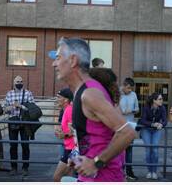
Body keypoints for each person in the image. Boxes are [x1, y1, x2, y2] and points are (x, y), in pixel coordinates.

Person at [49, 37, 136, 182]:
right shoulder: (80, 91)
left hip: (104, 179)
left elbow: (127, 133)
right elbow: (94, 136)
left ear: (73, 60)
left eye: (58, 58)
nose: (54, 64)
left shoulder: (90, 93)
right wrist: (78, 157)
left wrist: (96, 163)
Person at [4, 75, 35, 176]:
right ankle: (13, 167)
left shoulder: (28, 93)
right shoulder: (9, 94)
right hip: (13, 121)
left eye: (21, 81)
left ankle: (25, 168)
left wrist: (20, 106)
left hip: (25, 122)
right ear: (14, 83)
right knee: (13, 145)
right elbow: (5, 108)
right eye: (17, 81)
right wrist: (8, 108)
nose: (19, 83)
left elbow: (32, 108)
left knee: (25, 145)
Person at [139, 92, 167, 179]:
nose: (162, 101)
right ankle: (149, 171)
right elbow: (143, 120)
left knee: (155, 150)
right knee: (148, 150)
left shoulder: (162, 108)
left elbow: (165, 120)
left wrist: (162, 124)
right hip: (146, 130)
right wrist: (152, 124)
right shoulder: (146, 108)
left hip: (156, 131)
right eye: (160, 99)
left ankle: (154, 172)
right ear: (154, 100)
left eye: (162, 99)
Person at [119, 77, 139, 180]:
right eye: (128, 88)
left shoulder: (134, 95)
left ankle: (129, 171)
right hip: (118, 125)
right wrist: (121, 112)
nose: (130, 90)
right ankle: (119, 172)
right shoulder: (117, 94)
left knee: (129, 149)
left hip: (130, 125)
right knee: (118, 149)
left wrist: (132, 110)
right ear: (123, 85)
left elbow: (137, 109)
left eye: (131, 88)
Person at [53, 88, 75, 182]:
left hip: (71, 149)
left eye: (59, 97)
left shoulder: (69, 110)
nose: (56, 99)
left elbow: (73, 131)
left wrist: (63, 135)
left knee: (57, 177)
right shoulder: (66, 109)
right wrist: (60, 131)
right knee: (69, 177)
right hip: (70, 148)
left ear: (66, 99)